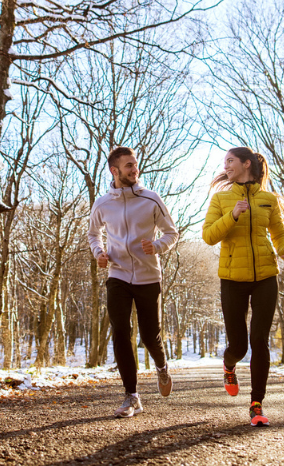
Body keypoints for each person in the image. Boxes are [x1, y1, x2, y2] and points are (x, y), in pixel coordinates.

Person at [202, 147, 284, 427]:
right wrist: (231, 215)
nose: (226, 166)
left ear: (246, 164)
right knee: (240, 346)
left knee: (259, 341)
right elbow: (208, 236)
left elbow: (278, 231)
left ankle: (257, 404)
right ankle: (229, 365)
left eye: (230, 161)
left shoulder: (268, 199)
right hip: (232, 278)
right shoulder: (221, 199)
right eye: (225, 162)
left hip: (266, 275)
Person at [88, 146, 179, 418]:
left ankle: (161, 367)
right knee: (120, 331)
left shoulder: (151, 199)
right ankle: (132, 396)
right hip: (117, 275)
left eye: (135, 164)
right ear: (115, 171)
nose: (134, 169)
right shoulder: (102, 203)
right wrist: (99, 253)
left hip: (148, 276)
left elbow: (171, 233)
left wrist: (157, 246)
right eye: (128, 166)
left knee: (150, 336)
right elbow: (93, 234)